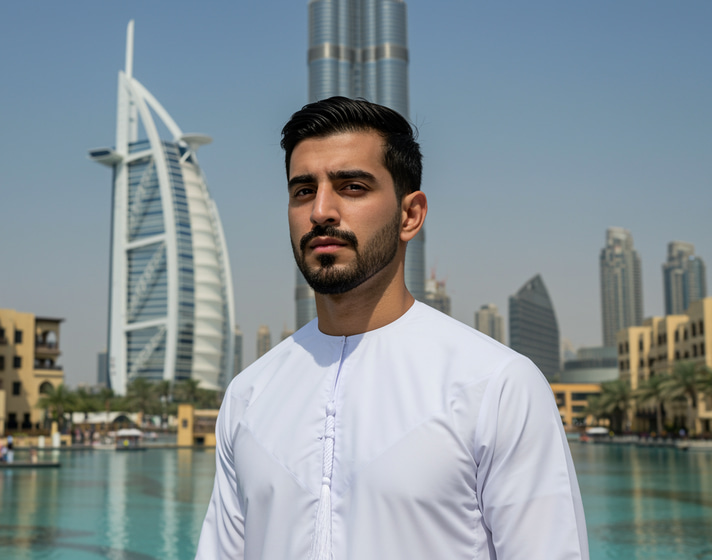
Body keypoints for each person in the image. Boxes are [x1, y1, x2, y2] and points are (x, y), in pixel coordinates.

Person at [195, 97, 589, 560]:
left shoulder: (496, 386)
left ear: (410, 215)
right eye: (303, 190)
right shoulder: (249, 395)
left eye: (352, 187)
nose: (321, 210)